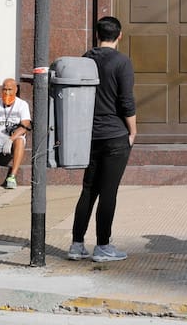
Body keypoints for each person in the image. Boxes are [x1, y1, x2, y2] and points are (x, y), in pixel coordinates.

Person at [69, 16, 137, 263]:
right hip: (115, 134)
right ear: (120, 35)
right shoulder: (122, 62)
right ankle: (103, 246)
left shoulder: (86, 59)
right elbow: (126, 101)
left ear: (97, 34)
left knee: (89, 189)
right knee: (109, 191)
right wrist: (133, 131)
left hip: (90, 134)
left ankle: (77, 244)